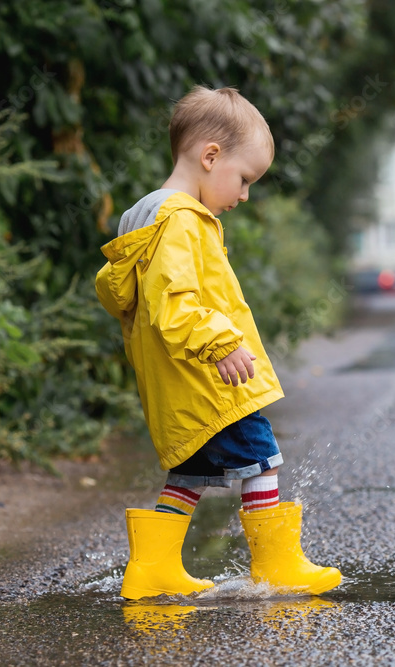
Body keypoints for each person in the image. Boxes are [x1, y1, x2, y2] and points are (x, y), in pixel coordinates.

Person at [95, 85, 341, 600]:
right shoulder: (181, 222)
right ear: (210, 156)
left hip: (183, 385)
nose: (245, 194)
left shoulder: (147, 219)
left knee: (191, 473)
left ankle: (152, 568)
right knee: (263, 455)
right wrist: (221, 344)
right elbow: (174, 305)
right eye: (244, 178)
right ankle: (276, 565)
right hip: (210, 378)